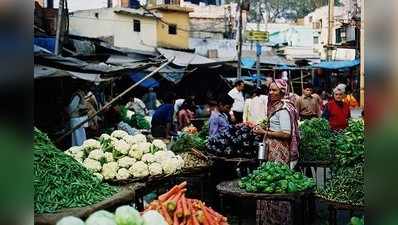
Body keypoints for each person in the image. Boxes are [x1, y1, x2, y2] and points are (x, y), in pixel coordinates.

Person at [253, 79, 300, 225]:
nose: (271, 92)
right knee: (269, 182)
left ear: (282, 92)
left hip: (279, 151)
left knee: (277, 184)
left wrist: (264, 131)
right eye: (270, 89)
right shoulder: (276, 106)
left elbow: (286, 133)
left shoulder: (284, 109)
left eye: (274, 90)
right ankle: (268, 218)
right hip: (272, 148)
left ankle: (278, 219)